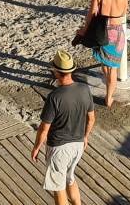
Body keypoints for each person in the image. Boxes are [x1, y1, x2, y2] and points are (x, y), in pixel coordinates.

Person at [31, 50, 95, 205]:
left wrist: (36, 147)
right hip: (78, 145)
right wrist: (85, 137)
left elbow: (44, 128)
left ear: (56, 72)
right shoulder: (84, 89)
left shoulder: (55, 97)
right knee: (70, 178)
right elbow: (91, 119)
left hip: (59, 148)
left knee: (58, 188)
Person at [75, 0, 128, 107]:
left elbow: (91, 15)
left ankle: (107, 89)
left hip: (102, 31)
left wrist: (84, 30)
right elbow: (123, 13)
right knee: (113, 67)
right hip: (117, 33)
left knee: (106, 64)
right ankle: (109, 97)